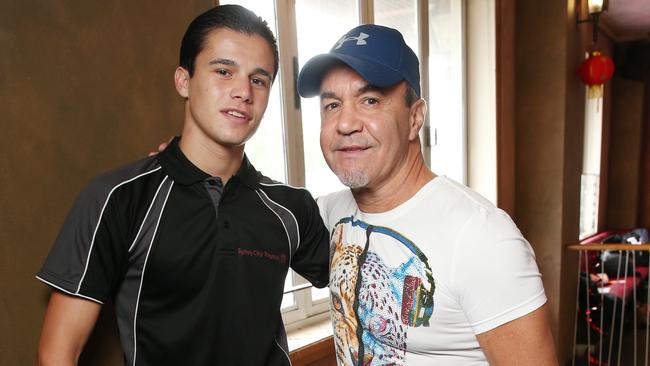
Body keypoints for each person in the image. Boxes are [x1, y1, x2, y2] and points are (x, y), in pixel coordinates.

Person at [36, 5, 329, 366]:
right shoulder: (119, 197)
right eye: (224, 71)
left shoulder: (291, 207)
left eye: (259, 79)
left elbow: (363, 270)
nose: (243, 92)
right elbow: (58, 353)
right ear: (184, 80)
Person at [296, 24, 559, 365]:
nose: (346, 123)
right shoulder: (328, 215)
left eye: (370, 100)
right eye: (332, 105)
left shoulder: (481, 237)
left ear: (415, 117)